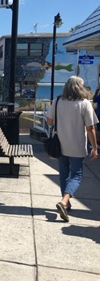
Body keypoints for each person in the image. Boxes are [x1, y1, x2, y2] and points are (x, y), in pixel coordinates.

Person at [46, 76, 98, 222]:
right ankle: (64, 201)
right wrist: (94, 147)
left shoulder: (57, 101)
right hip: (77, 146)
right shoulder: (85, 104)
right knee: (76, 175)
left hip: (60, 145)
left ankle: (66, 204)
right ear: (80, 87)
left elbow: (49, 122)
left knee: (63, 174)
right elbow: (90, 128)